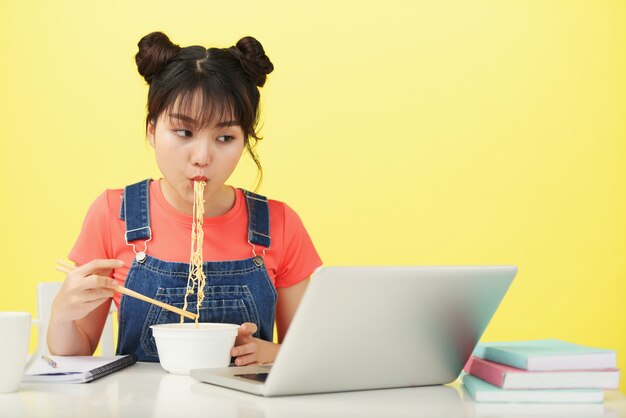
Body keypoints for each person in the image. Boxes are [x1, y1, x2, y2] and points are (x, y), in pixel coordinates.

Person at [48, 32, 322, 366]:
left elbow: (311, 356)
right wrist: (62, 311)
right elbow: (73, 355)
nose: (202, 157)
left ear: (245, 139)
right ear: (151, 130)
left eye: (224, 137)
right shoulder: (113, 214)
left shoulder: (279, 223)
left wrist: (274, 355)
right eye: (184, 132)